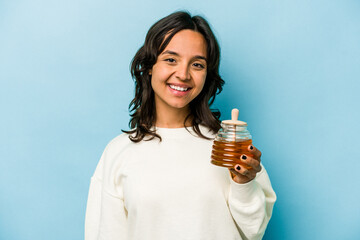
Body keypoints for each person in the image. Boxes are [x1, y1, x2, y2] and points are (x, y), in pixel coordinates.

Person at [85, 11, 276, 240]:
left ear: (207, 74)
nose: (183, 74)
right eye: (170, 59)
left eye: (197, 64)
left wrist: (244, 184)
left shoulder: (230, 148)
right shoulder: (117, 153)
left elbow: (254, 231)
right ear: (149, 66)